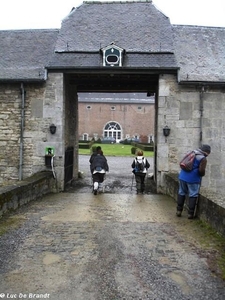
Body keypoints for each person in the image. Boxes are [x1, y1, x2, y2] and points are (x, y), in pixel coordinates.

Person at [176, 144, 211, 219]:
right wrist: (202, 174)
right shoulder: (203, 158)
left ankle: (179, 211)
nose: (208, 154)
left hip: (182, 176)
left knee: (181, 192)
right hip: (193, 179)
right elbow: (201, 170)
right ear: (206, 152)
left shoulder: (192, 152)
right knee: (193, 194)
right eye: (208, 153)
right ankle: (190, 214)